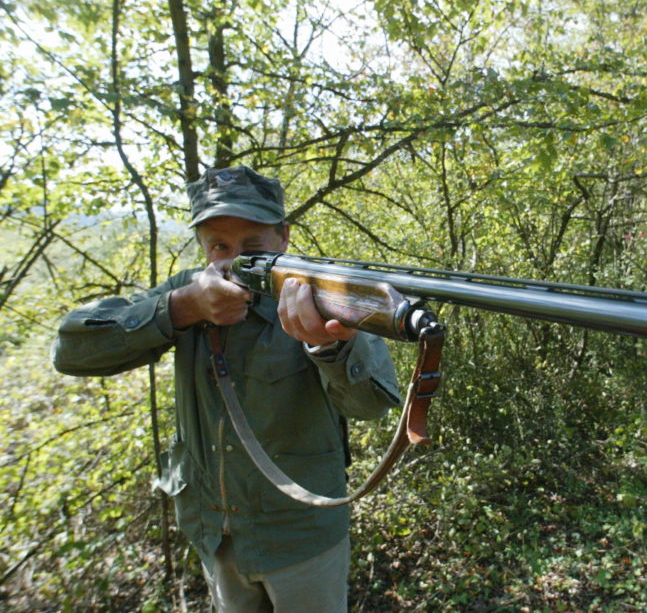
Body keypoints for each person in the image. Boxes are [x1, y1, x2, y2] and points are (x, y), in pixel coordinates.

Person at [52, 165, 401, 612]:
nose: (235, 259)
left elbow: (372, 405)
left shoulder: (321, 293)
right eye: (220, 245)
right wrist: (181, 308)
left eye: (253, 246)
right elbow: (72, 349)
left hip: (302, 536)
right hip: (214, 533)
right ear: (202, 246)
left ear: (284, 238)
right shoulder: (186, 292)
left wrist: (328, 345)